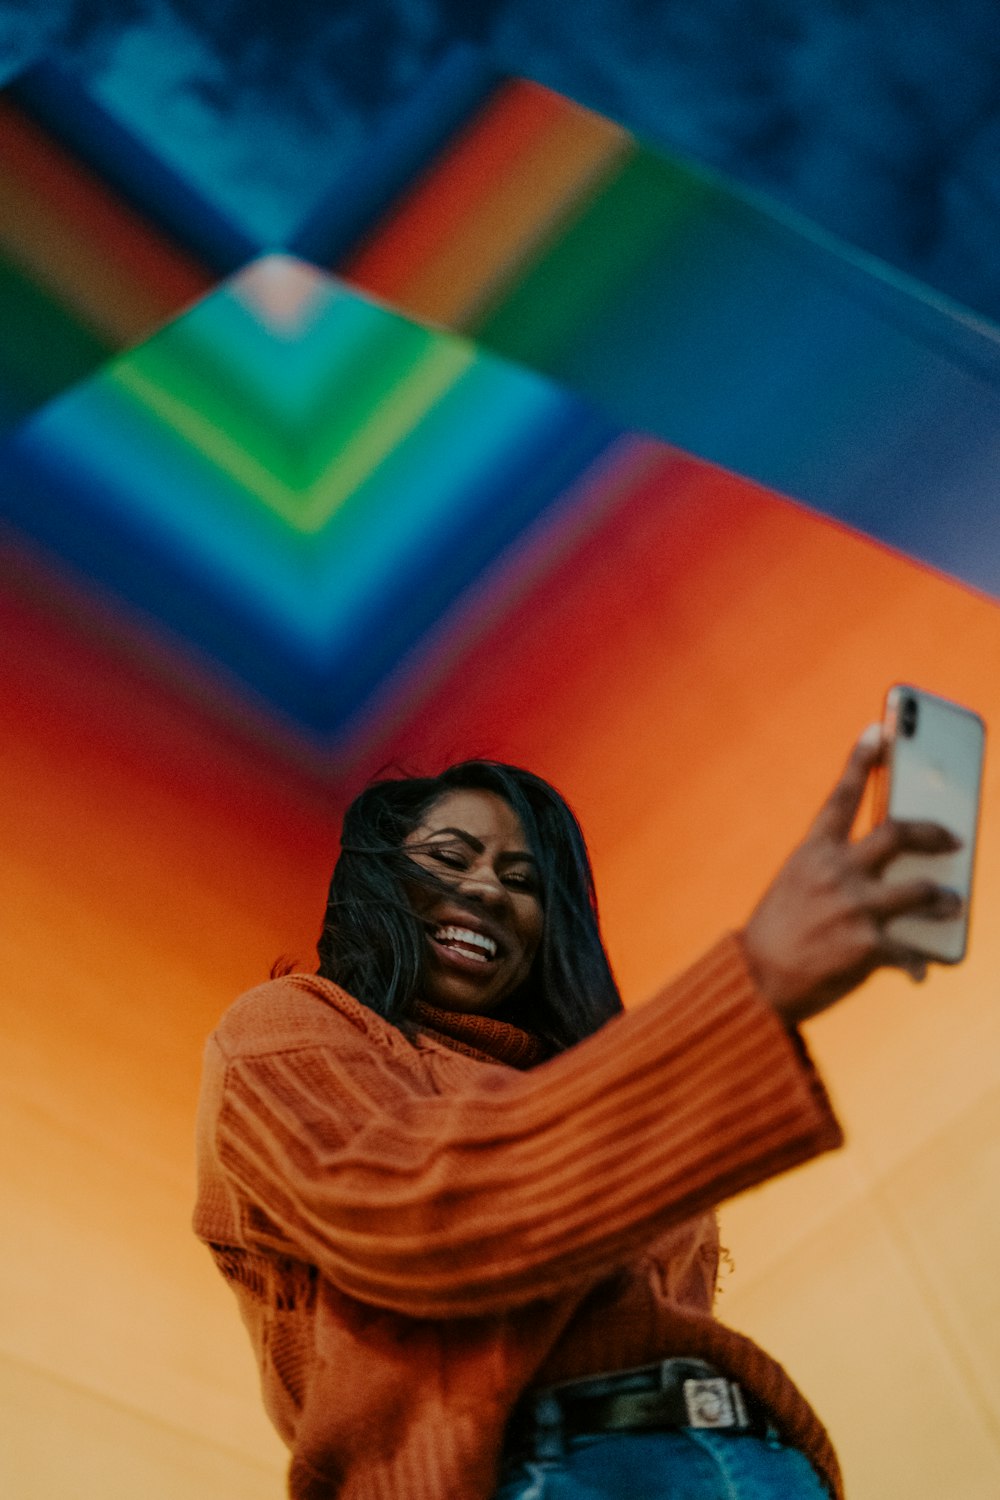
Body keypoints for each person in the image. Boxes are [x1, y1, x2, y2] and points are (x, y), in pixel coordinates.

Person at [193, 727, 960, 1500]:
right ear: (379, 881)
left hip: (756, 1460)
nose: (489, 889)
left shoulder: (580, 1084)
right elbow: (417, 1217)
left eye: (523, 879)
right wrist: (756, 979)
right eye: (450, 858)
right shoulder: (290, 1025)